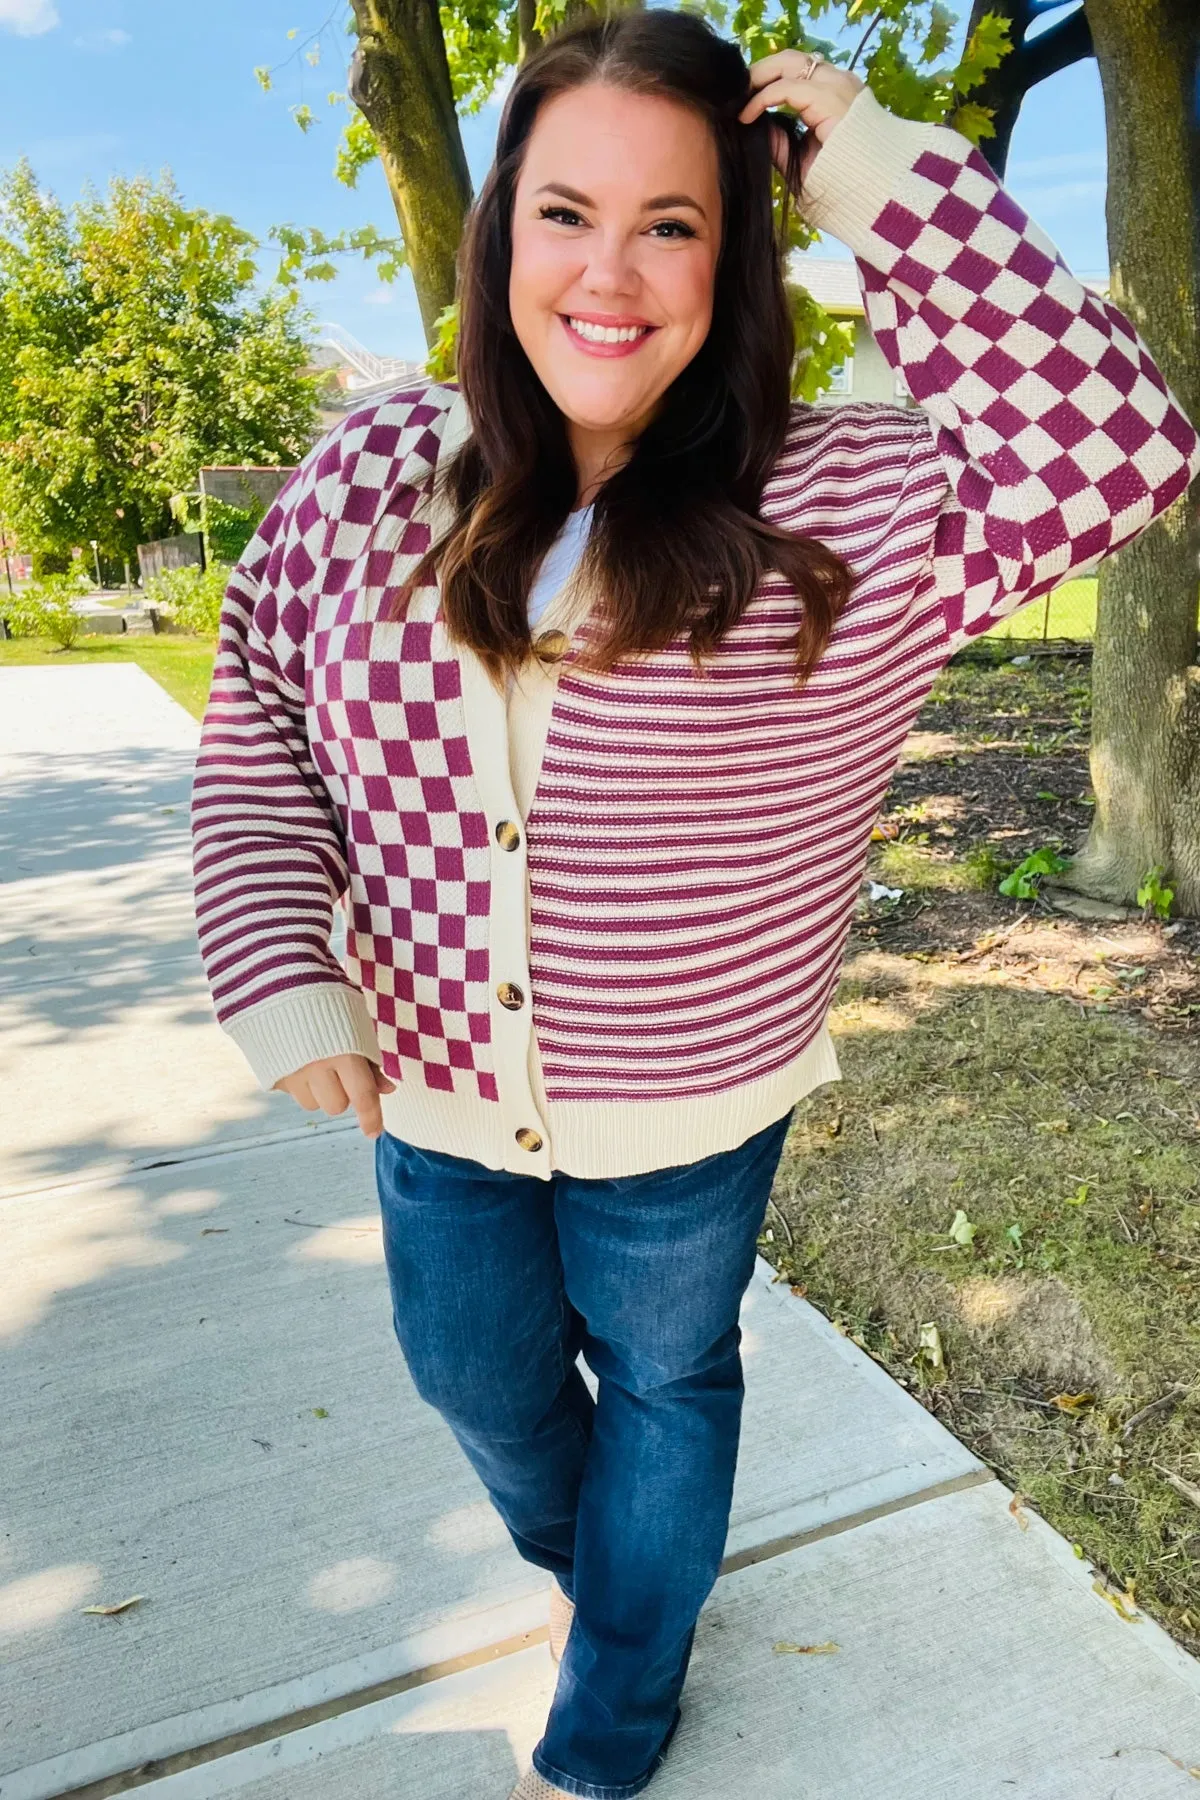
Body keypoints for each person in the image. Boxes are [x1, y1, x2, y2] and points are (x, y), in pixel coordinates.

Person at [190, 13, 1200, 1798]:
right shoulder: (363, 481)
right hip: (431, 1091)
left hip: (691, 1104)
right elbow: (262, 708)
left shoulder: (859, 495)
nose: (611, 270)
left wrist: (871, 162)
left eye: (672, 222)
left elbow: (1123, 445)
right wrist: (280, 960)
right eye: (567, 211)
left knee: (665, 1386)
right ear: (502, 229)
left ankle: (619, 1692)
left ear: (736, 254)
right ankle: (622, 1590)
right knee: (475, 1382)